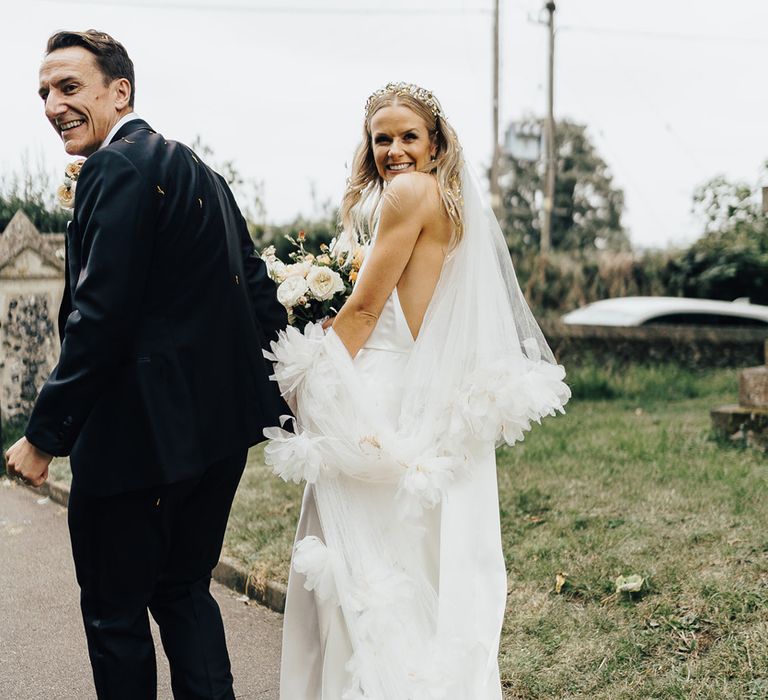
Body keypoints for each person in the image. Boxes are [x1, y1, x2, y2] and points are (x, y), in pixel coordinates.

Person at [4, 30, 287, 699]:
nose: (51, 104)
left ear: (119, 90)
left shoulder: (116, 167)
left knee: (115, 614)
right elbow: (260, 298)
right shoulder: (204, 175)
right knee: (184, 593)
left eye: (68, 87)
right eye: (43, 91)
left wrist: (45, 436)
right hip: (214, 442)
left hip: (136, 444)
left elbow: (99, 319)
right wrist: (279, 396)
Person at [266, 83, 571, 698]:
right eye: (383, 138)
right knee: (418, 566)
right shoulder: (451, 202)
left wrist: (304, 385)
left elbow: (363, 310)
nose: (395, 150)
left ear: (435, 143)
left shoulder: (406, 193)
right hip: (422, 394)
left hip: (377, 394)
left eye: (409, 136)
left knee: (363, 573)